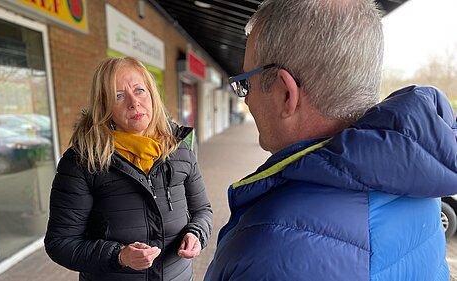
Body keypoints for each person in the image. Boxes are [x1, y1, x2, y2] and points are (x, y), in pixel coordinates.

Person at [205, 0, 457, 280]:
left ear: (285, 94)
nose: (248, 98)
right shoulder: (418, 180)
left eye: (246, 84)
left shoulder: (267, 250)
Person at [44, 57, 213, 281]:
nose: (134, 102)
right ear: (104, 106)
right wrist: (119, 256)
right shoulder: (83, 161)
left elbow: (203, 211)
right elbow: (61, 243)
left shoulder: (179, 148)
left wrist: (196, 234)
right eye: (119, 96)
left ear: (152, 94)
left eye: (139, 90)